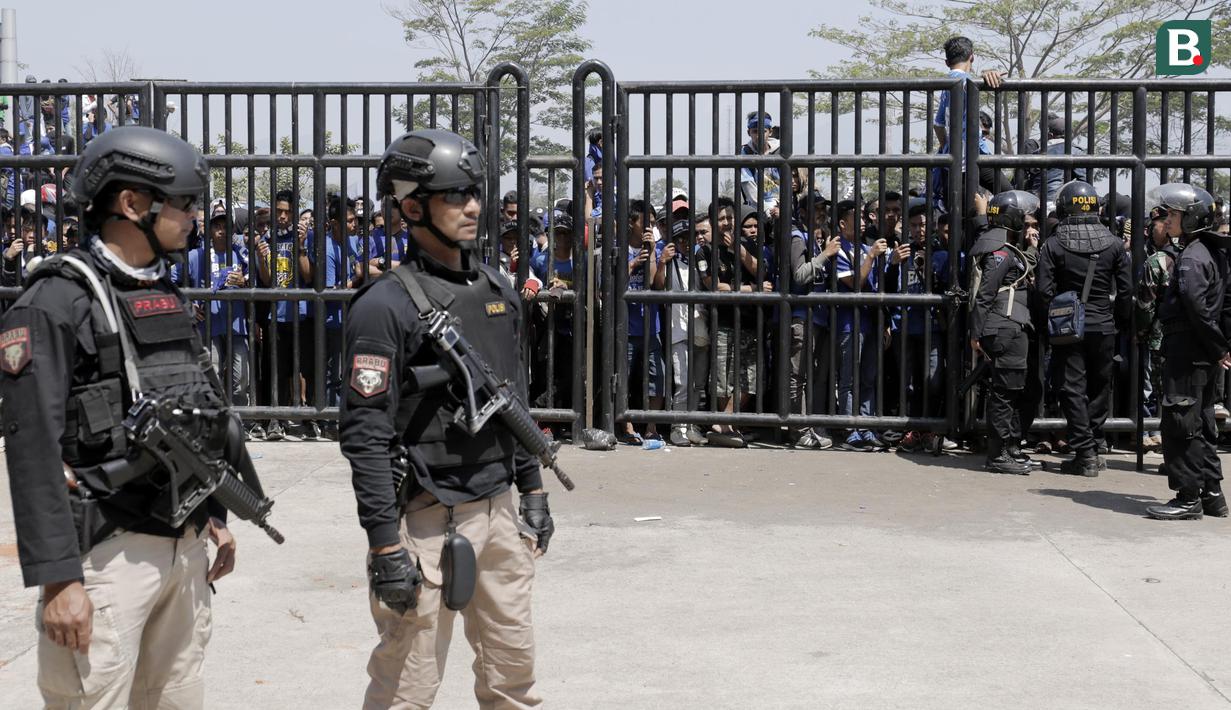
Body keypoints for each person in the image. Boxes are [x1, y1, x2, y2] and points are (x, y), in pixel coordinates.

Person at [1, 126, 241, 707]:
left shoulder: (164, 293)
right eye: (183, 202)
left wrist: (213, 512)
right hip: (107, 559)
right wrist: (59, 580)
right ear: (132, 204)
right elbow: (31, 449)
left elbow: (193, 409)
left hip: (182, 551)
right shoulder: (56, 302)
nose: (194, 216)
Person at [340, 128, 550, 707]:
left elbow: (514, 402)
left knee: (514, 679)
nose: (474, 207)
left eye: (475, 193)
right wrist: (385, 546)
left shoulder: (497, 290)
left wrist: (532, 491)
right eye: (455, 196)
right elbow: (364, 435)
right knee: (407, 688)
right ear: (412, 207)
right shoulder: (384, 307)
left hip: (499, 510)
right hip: (424, 519)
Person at [1035, 181, 1132, 476]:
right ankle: (1096, 442)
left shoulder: (1053, 244)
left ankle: (1085, 452)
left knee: (1072, 389)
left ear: (1064, 206)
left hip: (1067, 327)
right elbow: (1127, 291)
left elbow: (1043, 291)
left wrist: (1047, 326)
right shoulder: (1114, 244)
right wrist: (1122, 323)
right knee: (1101, 386)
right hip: (1104, 325)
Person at [1147, 183, 1231, 520]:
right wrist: (1219, 346)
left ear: (1191, 218)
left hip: (1189, 350)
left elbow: (1196, 307)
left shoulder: (1191, 257)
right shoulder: (1209, 251)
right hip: (1201, 351)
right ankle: (1212, 494)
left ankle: (1188, 497)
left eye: (1174, 215)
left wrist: (1217, 346)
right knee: (1201, 421)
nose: (1167, 220)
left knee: (1181, 423)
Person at [969, 189, 1041, 474]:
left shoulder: (1006, 248)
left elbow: (1023, 265)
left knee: (1017, 390)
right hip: (1004, 328)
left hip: (1013, 327)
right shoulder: (999, 252)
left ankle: (1010, 448)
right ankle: (998, 455)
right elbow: (985, 294)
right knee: (1004, 393)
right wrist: (976, 334)